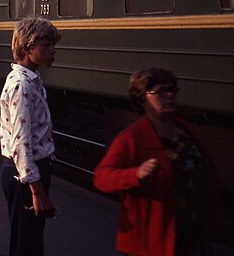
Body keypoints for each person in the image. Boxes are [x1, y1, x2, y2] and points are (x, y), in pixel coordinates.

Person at [93, 67, 220, 256]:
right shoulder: (131, 138)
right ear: (142, 98)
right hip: (154, 241)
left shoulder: (185, 130)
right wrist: (136, 174)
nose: (169, 95)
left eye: (172, 90)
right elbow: (102, 178)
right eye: (161, 91)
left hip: (192, 234)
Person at [0, 17, 60, 256]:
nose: (52, 50)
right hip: (24, 176)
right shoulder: (22, 86)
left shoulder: (30, 81)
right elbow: (21, 144)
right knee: (27, 245)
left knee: (30, 241)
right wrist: (37, 191)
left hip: (27, 173)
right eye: (46, 45)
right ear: (27, 48)